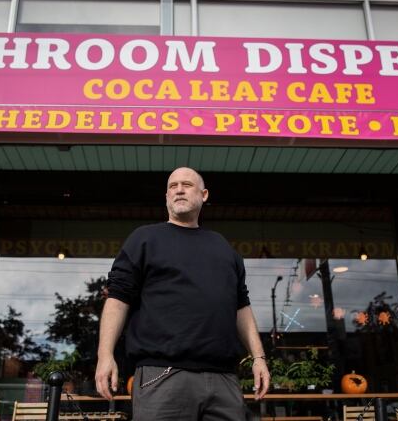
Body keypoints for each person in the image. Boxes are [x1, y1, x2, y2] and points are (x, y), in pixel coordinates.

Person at [95, 167, 271, 420]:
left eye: (187, 184)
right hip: (163, 375)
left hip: (223, 379)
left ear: (204, 194)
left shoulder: (223, 247)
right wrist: (105, 355)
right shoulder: (144, 238)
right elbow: (118, 299)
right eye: (173, 186)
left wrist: (259, 357)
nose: (178, 189)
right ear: (166, 196)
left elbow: (241, 306)